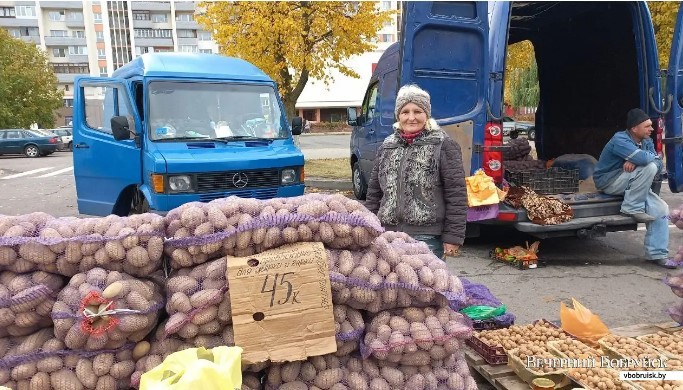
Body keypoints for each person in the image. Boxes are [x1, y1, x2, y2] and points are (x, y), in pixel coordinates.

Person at [364, 84, 468, 259]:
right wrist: (368, 226)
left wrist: (453, 237)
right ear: (398, 115)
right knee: (391, 285)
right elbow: (374, 193)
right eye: (405, 112)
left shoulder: (443, 145)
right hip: (387, 234)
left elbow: (456, 195)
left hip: (427, 236)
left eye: (417, 111)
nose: (411, 117)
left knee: (424, 285)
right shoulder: (387, 146)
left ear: (426, 114)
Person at [593, 108, 672, 268]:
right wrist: (643, 159)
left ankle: (658, 254)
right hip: (609, 182)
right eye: (647, 126)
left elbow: (658, 164)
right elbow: (648, 160)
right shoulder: (620, 139)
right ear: (634, 128)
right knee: (648, 167)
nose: (652, 129)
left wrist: (638, 160)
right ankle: (631, 207)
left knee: (662, 209)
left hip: (633, 182)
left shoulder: (646, 142)